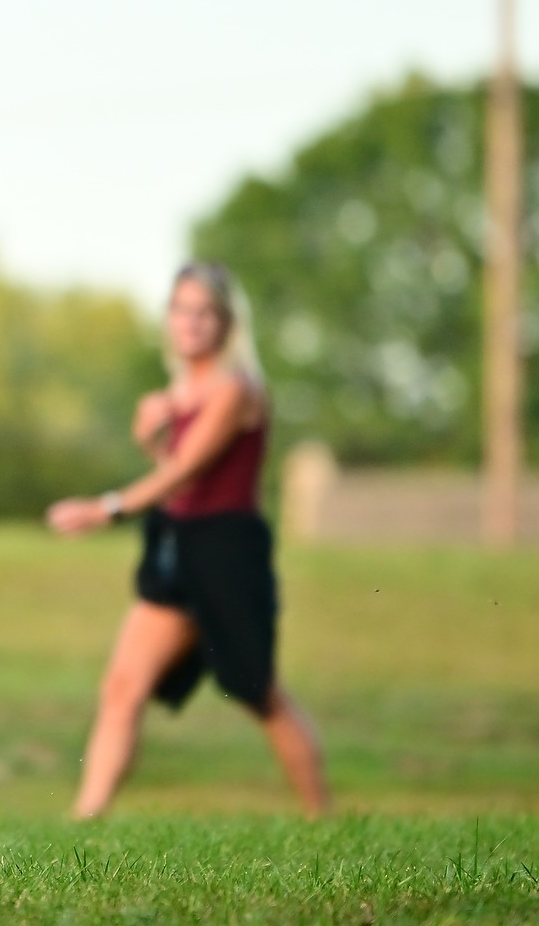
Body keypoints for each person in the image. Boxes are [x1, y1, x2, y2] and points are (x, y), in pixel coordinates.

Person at [46, 262, 328, 819]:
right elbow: (175, 476)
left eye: (205, 312)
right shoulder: (178, 393)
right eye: (182, 310)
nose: (192, 322)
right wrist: (150, 439)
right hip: (177, 545)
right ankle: (86, 818)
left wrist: (104, 509)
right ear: (169, 319)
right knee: (123, 686)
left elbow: (187, 473)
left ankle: (324, 820)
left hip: (228, 551)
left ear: (226, 323)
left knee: (259, 692)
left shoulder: (237, 390)